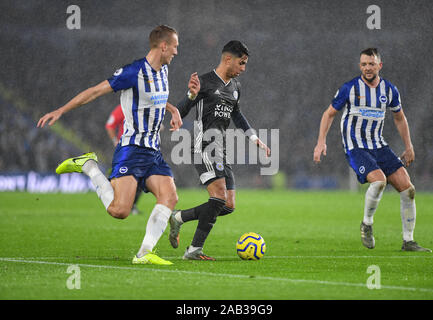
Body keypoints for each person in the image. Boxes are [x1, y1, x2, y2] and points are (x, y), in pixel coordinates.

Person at [37, 25, 201, 265]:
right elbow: (95, 92)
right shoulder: (132, 72)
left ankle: (144, 253)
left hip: (153, 151)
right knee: (119, 211)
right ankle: (89, 166)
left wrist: (174, 109)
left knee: (169, 196)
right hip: (131, 149)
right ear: (163, 45)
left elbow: (157, 98)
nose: (177, 51)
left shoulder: (164, 70)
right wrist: (61, 110)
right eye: (175, 46)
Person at [313, 48, 431, 252]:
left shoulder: (390, 90)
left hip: (379, 145)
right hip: (356, 146)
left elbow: (399, 117)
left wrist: (408, 146)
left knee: (408, 188)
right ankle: (367, 224)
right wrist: (321, 141)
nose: (367, 68)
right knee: (379, 181)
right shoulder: (349, 88)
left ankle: (408, 240)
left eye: (371, 64)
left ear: (379, 65)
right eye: (364, 64)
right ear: (360, 66)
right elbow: (329, 114)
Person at [167, 40, 271, 260]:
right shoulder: (204, 81)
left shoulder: (235, 88)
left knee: (228, 205)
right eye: (241, 63)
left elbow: (237, 115)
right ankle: (194, 250)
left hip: (221, 149)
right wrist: (191, 95)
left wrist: (255, 138)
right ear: (228, 59)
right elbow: (181, 109)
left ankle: (179, 218)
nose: (243, 68)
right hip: (203, 146)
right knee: (218, 197)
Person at [105, 104, 142, 215]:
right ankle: (109, 194)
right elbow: (110, 125)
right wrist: (115, 141)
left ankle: (131, 204)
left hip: (141, 148)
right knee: (123, 176)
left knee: (140, 177)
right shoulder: (123, 107)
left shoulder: (144, 105)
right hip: (127, 149)